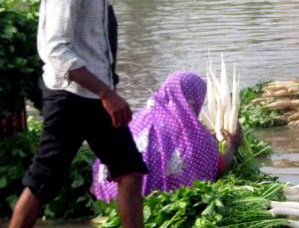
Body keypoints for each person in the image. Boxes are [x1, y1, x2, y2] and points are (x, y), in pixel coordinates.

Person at [0, 0, 145, 228]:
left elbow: (92, 44)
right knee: (43, 181)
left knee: (129, 172)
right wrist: (107, 93)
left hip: (96, 94)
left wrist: (108, 87)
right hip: (69, 96)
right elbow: (57, 50)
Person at [93, 72, 242, 201]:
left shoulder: (139, 117)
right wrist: (233, 144)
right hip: (153, 199)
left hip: (116, 194)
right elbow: (220, 166)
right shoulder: (192, 134)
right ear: (192, 101)